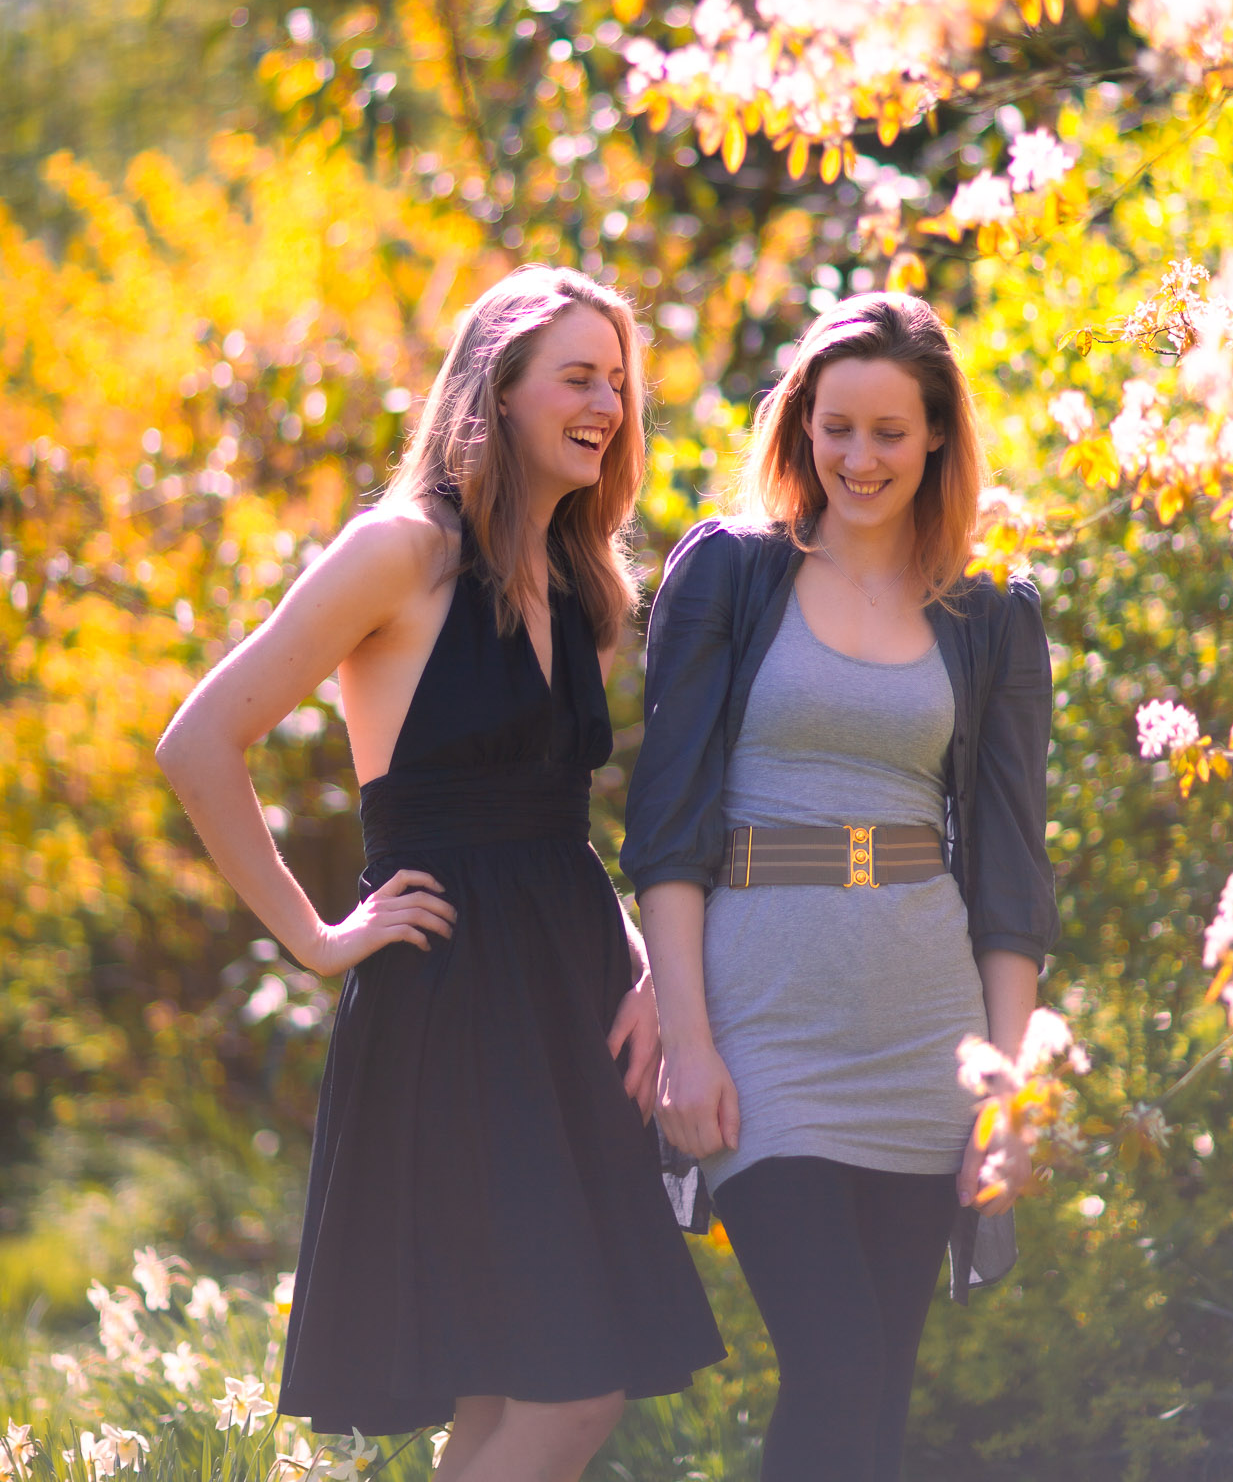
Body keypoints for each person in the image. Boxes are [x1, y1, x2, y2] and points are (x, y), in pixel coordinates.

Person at [157, 266, 724, 1482]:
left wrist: (642, 970)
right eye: (579, 376)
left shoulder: (577, 578)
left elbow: (552, 827)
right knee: (573, 1387)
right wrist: (316, 935)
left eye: (619, 384)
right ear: (498, 386)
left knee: (517, 1386)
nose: (608, 405)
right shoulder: (400, 550)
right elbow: (199, 741)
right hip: (457, 1009)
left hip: (573, 1003)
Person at [621, 291, 1058, 1482]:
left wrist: (1005, 1095)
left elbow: (1013, 868)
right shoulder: (731, 574)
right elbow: (665, 829)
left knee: (875, 1403)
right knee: (835, 1364)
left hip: (924, 1031)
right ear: (800, 425)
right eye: (836, 426)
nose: (859, 457)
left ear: (934, 441)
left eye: (889, 432)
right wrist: (688, 1042)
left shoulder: (992, 615)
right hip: (764, 1021)